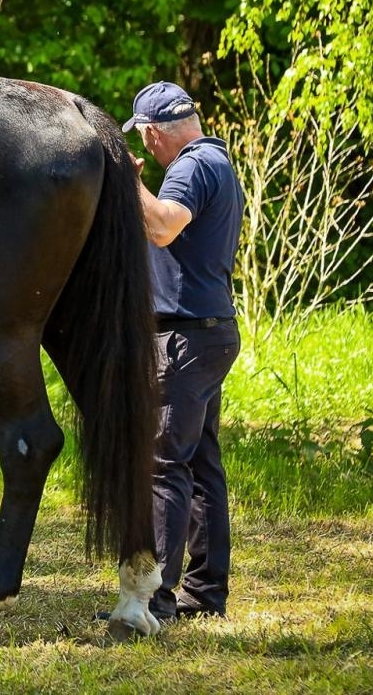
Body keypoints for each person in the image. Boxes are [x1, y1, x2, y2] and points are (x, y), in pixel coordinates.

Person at [124, 80, 244, 622]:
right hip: (209, 331)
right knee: (199, 463)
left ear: (152, 132)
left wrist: (133, 185)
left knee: (165, 462)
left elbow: (164, 227)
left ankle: (155, 599)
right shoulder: (219, 159)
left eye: (144, 139)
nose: (146, 149)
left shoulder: (192, 167)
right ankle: (206, 592)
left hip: (184, 337)